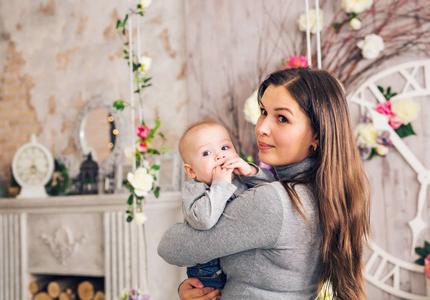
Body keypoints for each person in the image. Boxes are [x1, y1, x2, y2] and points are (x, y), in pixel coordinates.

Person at [158, 67, 371, 300]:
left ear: (316, 135)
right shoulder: (321, 193)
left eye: (282, 118)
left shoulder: (274, 201)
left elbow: (171, 247)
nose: (261, 128)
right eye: (263, 111)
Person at [178, 119, 275, 290]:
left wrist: (250, 171)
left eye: (225, 148)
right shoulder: (194, 190)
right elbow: (204, 220)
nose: (220, 156)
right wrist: (220, 185)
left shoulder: (241, 178)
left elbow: (272, 190)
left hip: (240, 261)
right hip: (209, 270)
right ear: (191, 171)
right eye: (206, 153)